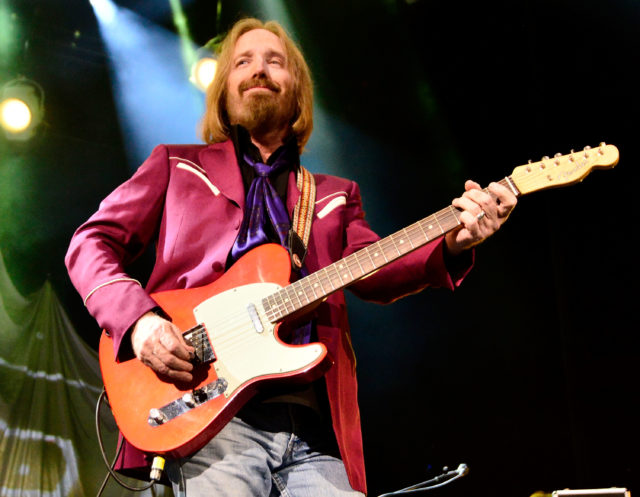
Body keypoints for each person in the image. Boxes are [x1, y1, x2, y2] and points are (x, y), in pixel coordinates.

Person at [65, 17, 516, 497]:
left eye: (274, 62)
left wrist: (453, 241)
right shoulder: (176, 166)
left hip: (315, 430)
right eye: (243, 62)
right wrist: (141, 322)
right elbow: (90, 243)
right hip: (209, 415)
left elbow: (376, 272)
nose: (259, 70)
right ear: (223, 89)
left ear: (297, 91)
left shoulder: (334, 196)